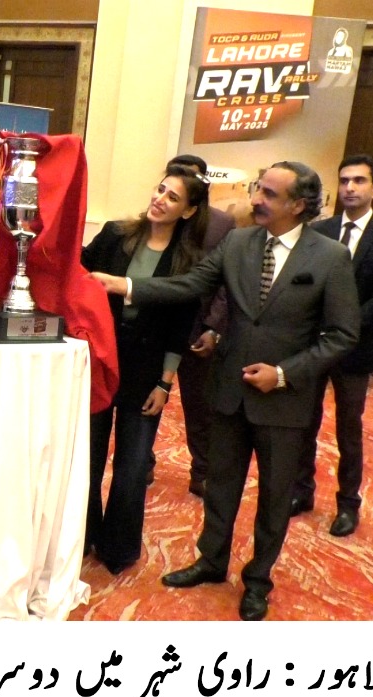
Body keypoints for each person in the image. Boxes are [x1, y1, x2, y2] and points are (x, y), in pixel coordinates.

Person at [90, 161, 359, 621]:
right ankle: (211, 561)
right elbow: (191, 284)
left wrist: (284, 373)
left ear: (298, 205)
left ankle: (257, 581)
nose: (256, 199)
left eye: (269, 194)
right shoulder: (238, 242)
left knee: (274, 496)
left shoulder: (330, 257)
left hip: (284, 399)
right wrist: (126, 285)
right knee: (221, 485)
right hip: (230, 388)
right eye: (258, 188)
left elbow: (342, 335)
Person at [79, 166, 207, 574]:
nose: (160, 199)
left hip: (147, 369)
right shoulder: (115, 234)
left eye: (173, 197)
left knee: (133, 466)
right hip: (100, 360)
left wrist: (165, 383)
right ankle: (81, 537)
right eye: (160, 189)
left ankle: (117, 548)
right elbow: (78, 274)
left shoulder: (189, 261)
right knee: (87, 456)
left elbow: (180, 328)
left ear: (188, 211)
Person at [290, 154, 373, 537]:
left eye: (359, 181)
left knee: (348, 430)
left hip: (356, 347)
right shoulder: (319, 230)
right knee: (304, 422)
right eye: (344, 181)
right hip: (314, 346)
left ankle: (347, 505)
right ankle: (302, 491)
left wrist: (341, 329)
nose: (350, 188)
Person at [166, 153, 237, 499]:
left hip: (200, 327)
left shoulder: (223, 225)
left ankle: (202, 472)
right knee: (147, 398)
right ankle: (144, 462)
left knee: (200, 408)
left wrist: (214, 327)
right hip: (160, 323)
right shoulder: (157, 215)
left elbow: (227, 282)